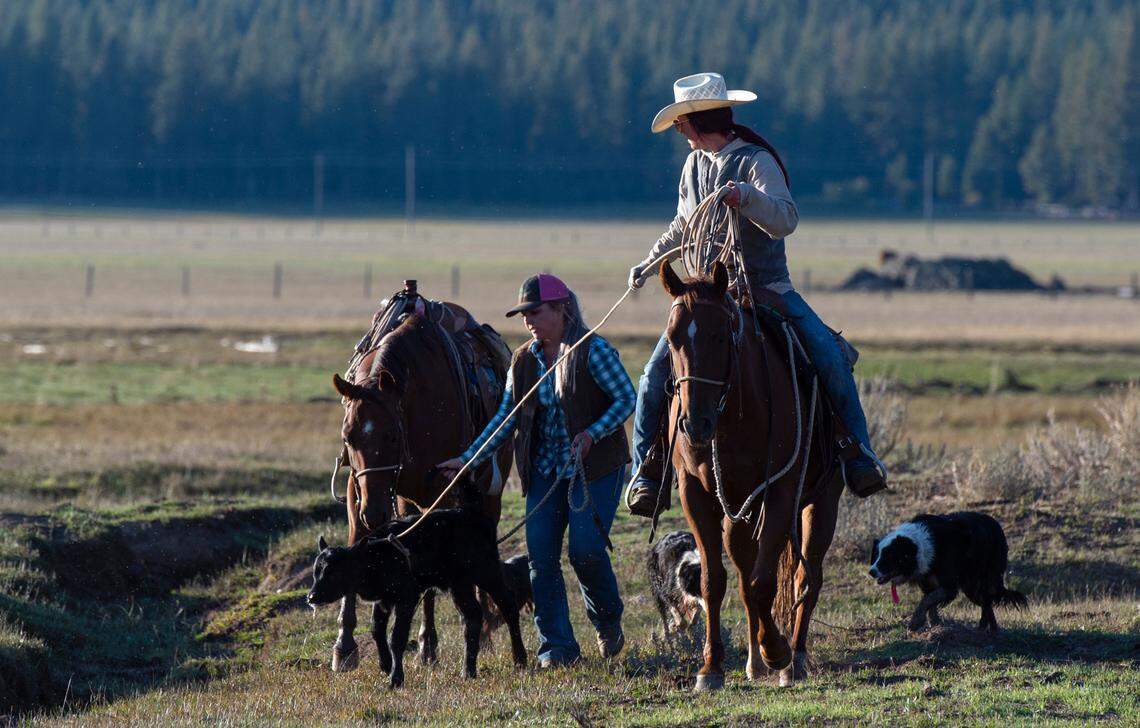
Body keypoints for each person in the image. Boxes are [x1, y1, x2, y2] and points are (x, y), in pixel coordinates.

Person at [624, 72, 886, 518]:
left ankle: (856, 452)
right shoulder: (693, 166)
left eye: (682, 123)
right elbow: (684, 225)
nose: (679, 132)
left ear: (696, 120)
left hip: (766, 290)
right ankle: (648, 470)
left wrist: (745, 196)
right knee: (653, 375)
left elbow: (785, 218)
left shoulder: (755, 162)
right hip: (707, 298)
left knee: (828, 357)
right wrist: (649, 263)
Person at [437, 273, 636, 667]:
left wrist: (593, 433)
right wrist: (467, 459)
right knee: (540, 558)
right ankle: (557, 648)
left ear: (562, 309)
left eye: (535, 311)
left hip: (593, 468)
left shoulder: (592, 351)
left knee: (586, 551)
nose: (528, 320)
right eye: (523, 314)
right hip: (545, 470)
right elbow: (505, 419)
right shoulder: (524, 360)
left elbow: (626, 398)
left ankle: (607, 620)